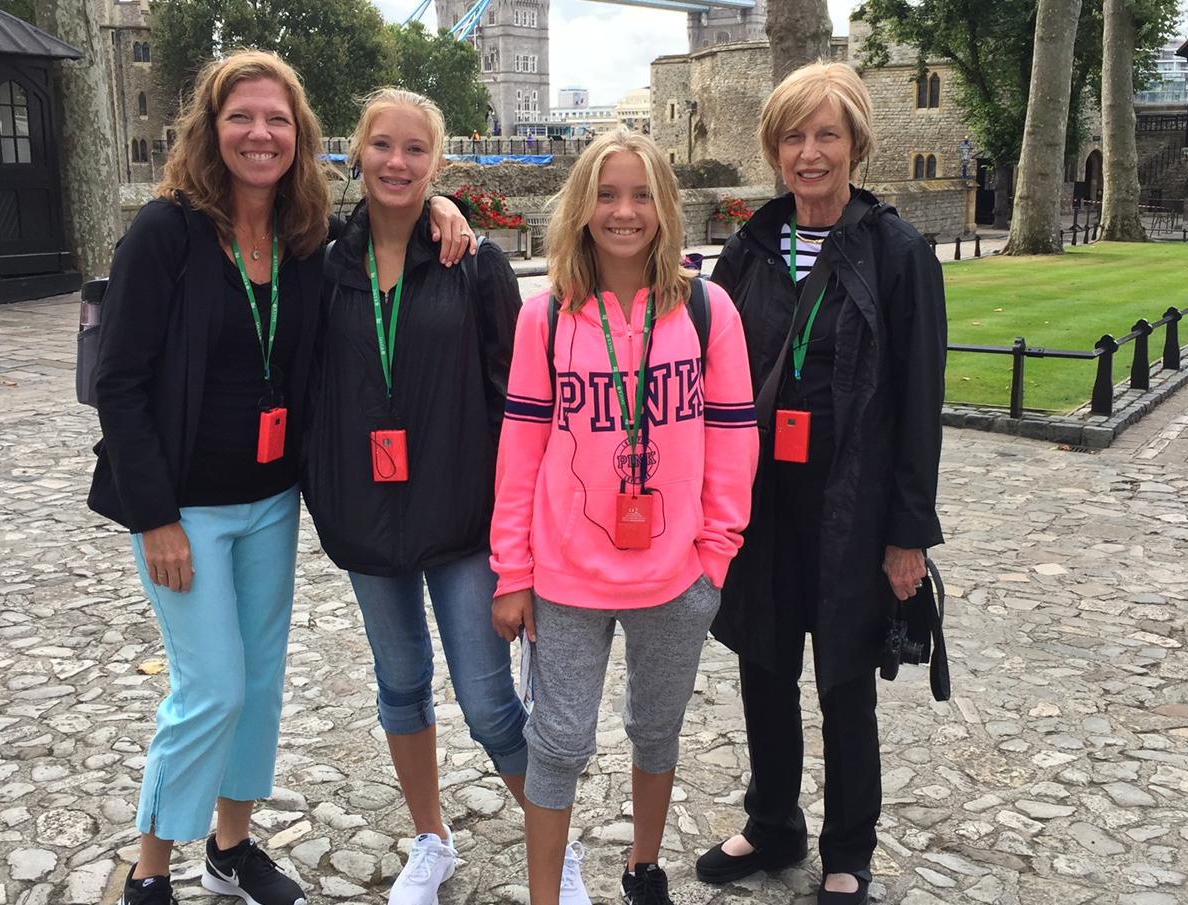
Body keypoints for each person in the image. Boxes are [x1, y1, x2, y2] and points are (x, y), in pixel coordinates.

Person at [87, 51, 471, 905]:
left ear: (298, 136)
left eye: (277, 120)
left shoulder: (305, 237)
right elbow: (118, 380)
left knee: (257, 683)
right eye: (241, 117)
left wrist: (440, 202)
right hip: (185, 506)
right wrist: (153, 515)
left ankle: (230, 849)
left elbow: (390, 218)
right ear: (211, 128)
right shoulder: (166, 233)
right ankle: (151, 870)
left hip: (269, 502)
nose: (259, 134)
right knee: (209, 683)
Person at [693, 61, 948, 905]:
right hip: (761, 505)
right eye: (793, 136)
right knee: (762, 667)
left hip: (853, 504)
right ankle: (772, 825)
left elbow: (917, 398)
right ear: (774, 149)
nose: (809, 153)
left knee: (842, 682)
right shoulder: (750, 248)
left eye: (826, 135)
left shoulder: (896, 252)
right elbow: (707, 372)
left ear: (854, 144)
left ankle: (847, 849)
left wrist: (906, 531)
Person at [489, 128, 759, 905]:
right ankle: (546, 893)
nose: (624, 211)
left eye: (641, 194)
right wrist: (513, 569)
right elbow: (519, 453)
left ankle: (642, 865)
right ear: (580, 206)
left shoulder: (707, 311)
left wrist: (714, 556)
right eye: (606, 194)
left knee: (655, 729)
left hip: (675, 573)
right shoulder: (544, 318)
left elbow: (734, 440)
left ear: (665, 208)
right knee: (558, 742)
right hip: (568, 575)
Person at [300, 87, 527, 905]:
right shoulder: (320, 263)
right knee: (400, 685)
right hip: (366, 517)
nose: (397, 162)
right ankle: (430, 837)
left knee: (489, 700)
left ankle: (552, 847)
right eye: (382, 146)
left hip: (459, 519)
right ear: (355, 152)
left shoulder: (475, 265)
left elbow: (515, 405)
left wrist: (516, 536)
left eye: (415, 150)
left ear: (437, 162)